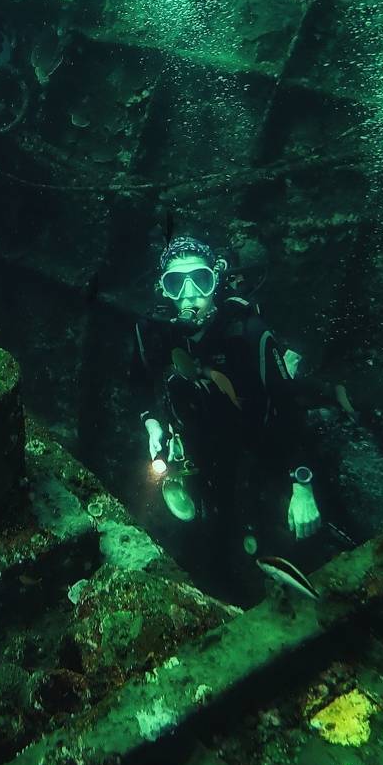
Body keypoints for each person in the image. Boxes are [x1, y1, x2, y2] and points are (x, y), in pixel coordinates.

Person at [130, 234, 322, 603]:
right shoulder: (151, 331)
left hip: (259, 438)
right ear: (163, 289)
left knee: (279, 532)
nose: (189, 295)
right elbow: (138, 379)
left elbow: (288, 406)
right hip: (196, 441)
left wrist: (302, 484)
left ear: (215, 282)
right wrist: (152, 424)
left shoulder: (249, 332)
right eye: (176, 283)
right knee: (209, 525)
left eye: (200, 280)